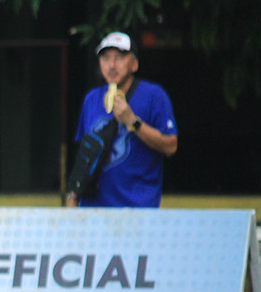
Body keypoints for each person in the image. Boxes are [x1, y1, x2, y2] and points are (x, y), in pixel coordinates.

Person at [66, 31, 178, 208]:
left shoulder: (154, 95)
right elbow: (84, 154)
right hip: (93, 208)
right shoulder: (91, 99)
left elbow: (171, 146)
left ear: (134, 64)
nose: (111, 65)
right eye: (105, 58)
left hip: (137, 208)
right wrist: (73, 196)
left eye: (119, 58)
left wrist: (132, 121)